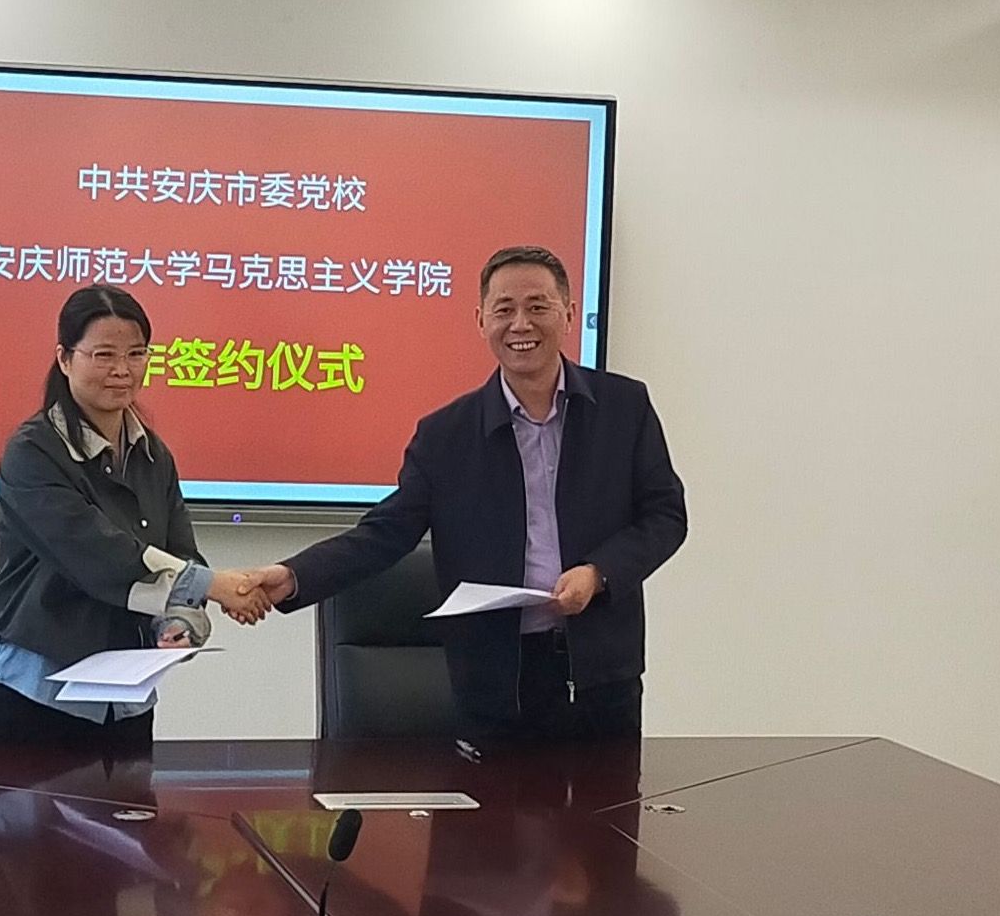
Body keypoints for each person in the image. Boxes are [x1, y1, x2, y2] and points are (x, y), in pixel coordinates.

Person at [248, 246, 687, 743]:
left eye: (537, 306)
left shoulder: (624, 407)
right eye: (504, 310)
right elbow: (385, 534)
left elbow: (665, 515)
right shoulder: (445, 436)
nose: (520, 324)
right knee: (489, 798)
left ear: (568, 313)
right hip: (495, 682)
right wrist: (294, 576)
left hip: (602, 674)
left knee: (611, 797)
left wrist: (598, 572)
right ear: (481, 321)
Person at [0, 284, 268, 748]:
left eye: (136, 354)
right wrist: (212, 584)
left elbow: (181, 552)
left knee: (131, 800)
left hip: (125, 696)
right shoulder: (33, 451)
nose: (122, 370)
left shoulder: (153, 454)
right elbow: (96, 552)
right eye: (103, 355)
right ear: (65, 359)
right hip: (29, 694)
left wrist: (179, 623)